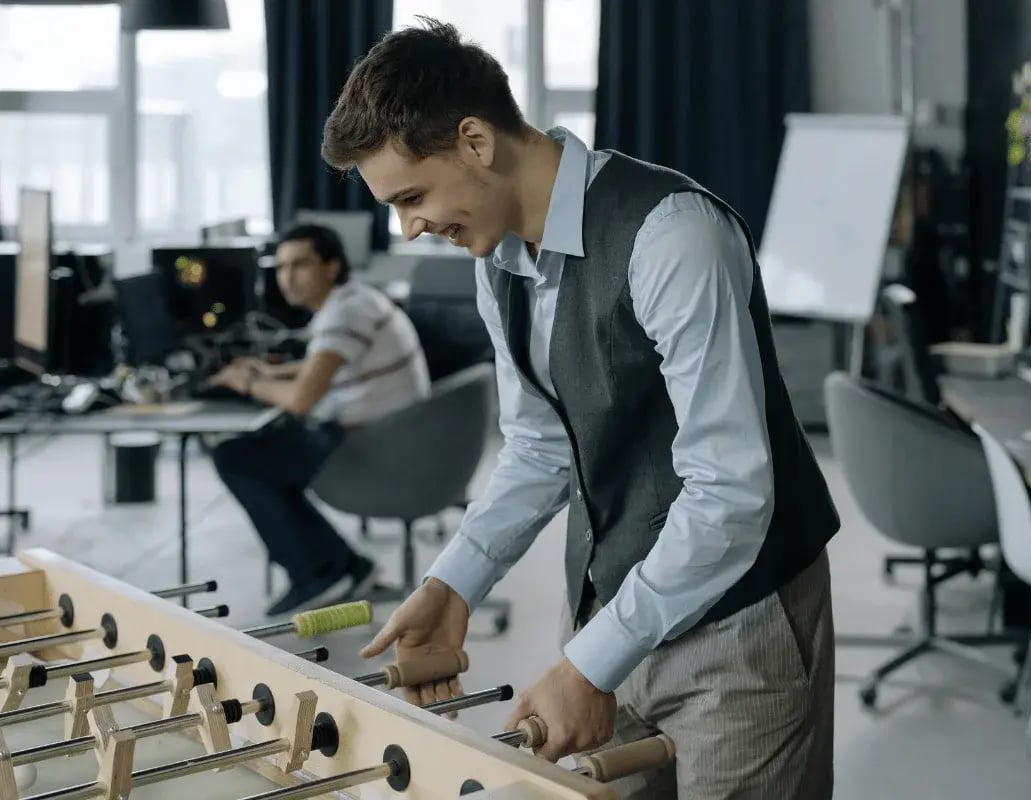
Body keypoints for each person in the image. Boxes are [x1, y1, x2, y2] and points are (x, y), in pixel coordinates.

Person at [323, 19, 841, 799]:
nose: (411, 228)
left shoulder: (673, 236)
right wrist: (454, 583)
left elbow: (731, 491)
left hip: (742, 624)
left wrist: (589, 663)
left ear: (475, 141)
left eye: (412, 197)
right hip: (615, 616)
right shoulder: (495, 259)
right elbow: (540, 447)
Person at [210, 223, 431, 616]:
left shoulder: (343, 314)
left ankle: (317, 572)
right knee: (266, 452)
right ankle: (343, 566)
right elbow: (324, 364)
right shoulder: (353, 299)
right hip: (394, 435)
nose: (287, 277)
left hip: (377, 451)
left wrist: (248, 382)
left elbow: (301, 400)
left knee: (236, 457)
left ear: (331, 266)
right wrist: (272, 372)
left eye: (299, 265)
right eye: (281, 267)